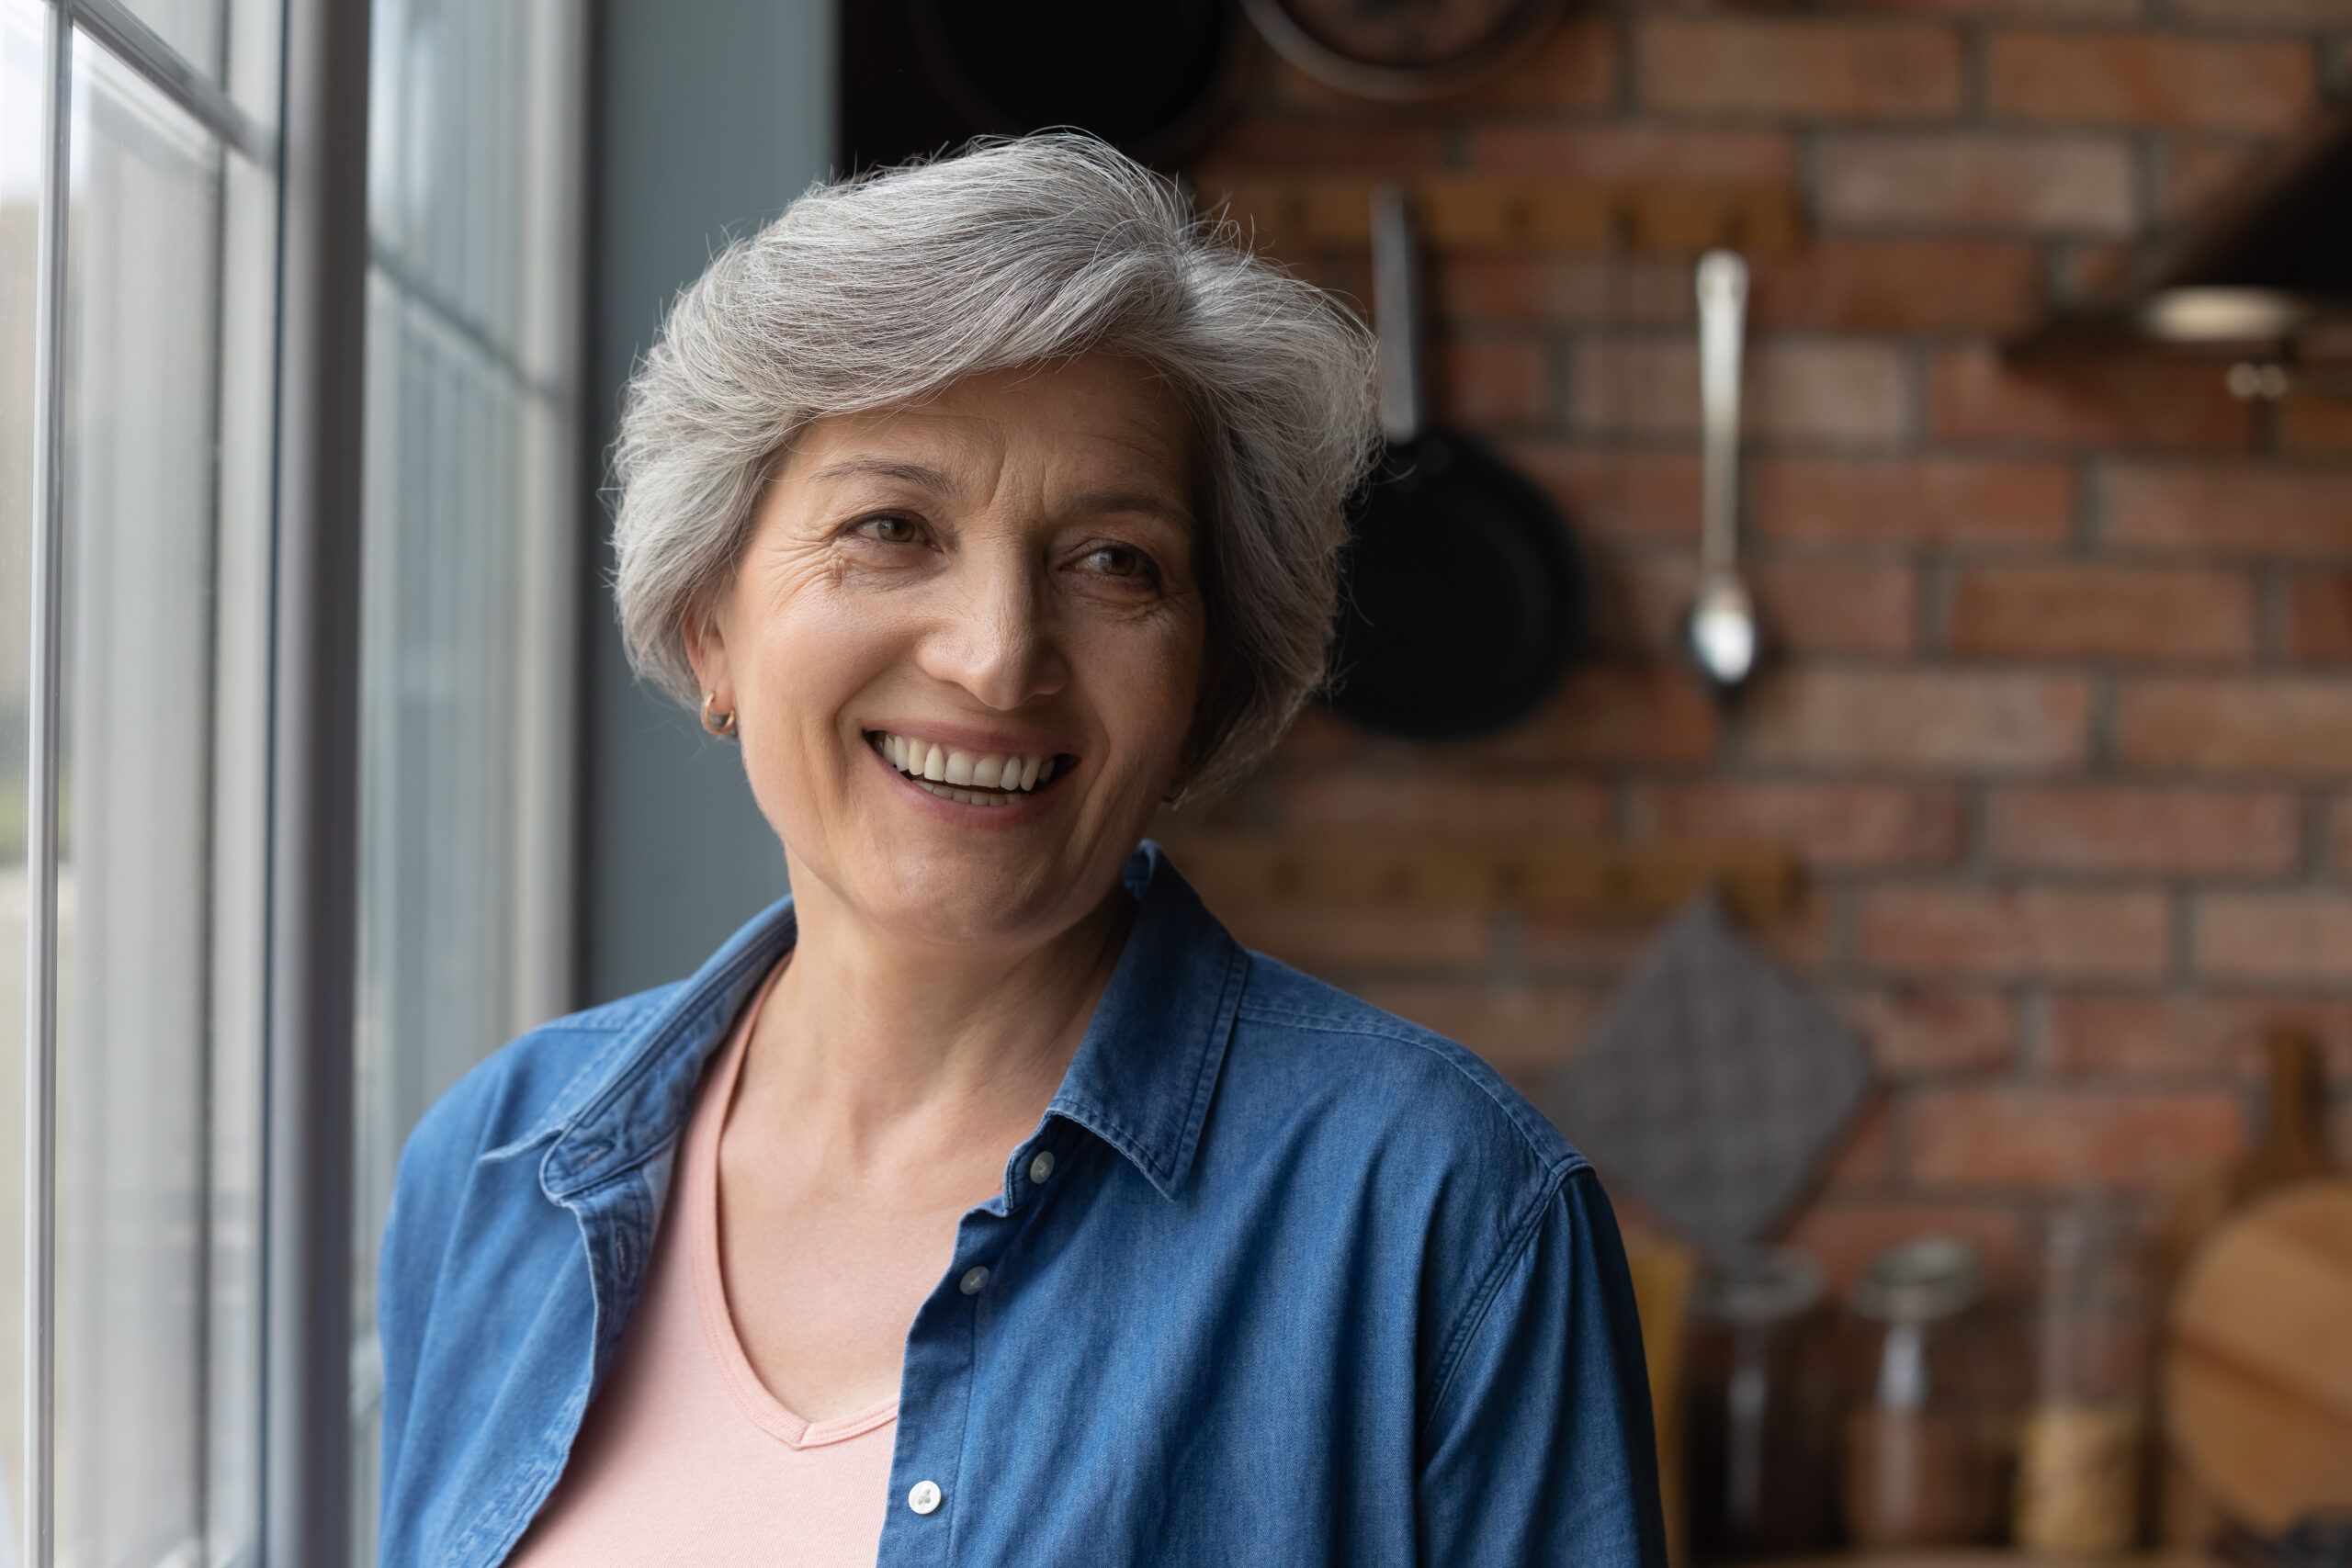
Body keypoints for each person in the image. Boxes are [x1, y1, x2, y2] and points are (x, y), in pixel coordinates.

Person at [375, 134, 1662, 1568]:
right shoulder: (496, 1169)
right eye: (890, 528)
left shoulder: (1443, 1214)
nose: (998, 660)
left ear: (1204, 687)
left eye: (1115, 561)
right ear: (709, 621)